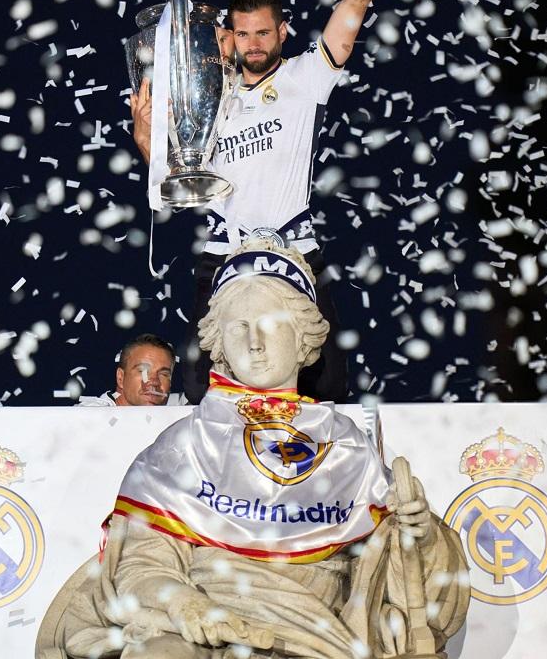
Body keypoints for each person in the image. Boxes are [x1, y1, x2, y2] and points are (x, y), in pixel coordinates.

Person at [36, 237, 470, 659]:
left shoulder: (344, 442)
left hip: (316, 632)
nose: (254, 343)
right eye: (238, 327)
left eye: (271, 324)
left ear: (303, 338)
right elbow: (141, 565)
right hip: (204, 622)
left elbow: (405, 579)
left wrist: (421, 536)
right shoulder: (185, 443)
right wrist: (183, 603)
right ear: (219, 342)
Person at [130, 0, 410, 404]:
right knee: (201, 390)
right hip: (223, 251)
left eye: (263, 33)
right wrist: (147, 141)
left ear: (283, 31)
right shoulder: (208, 95)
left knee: (326, 386)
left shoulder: (307, 77)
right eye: (243, 34)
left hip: (293, 246)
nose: (253, 44)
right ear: (227, 37)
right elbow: (180, 186)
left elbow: (357, 1)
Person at [77, 333, 187, 407]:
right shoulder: (88, 418)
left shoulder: (181, 411)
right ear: (120, 377)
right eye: (143, 371)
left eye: (163, 374)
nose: (154, 382)